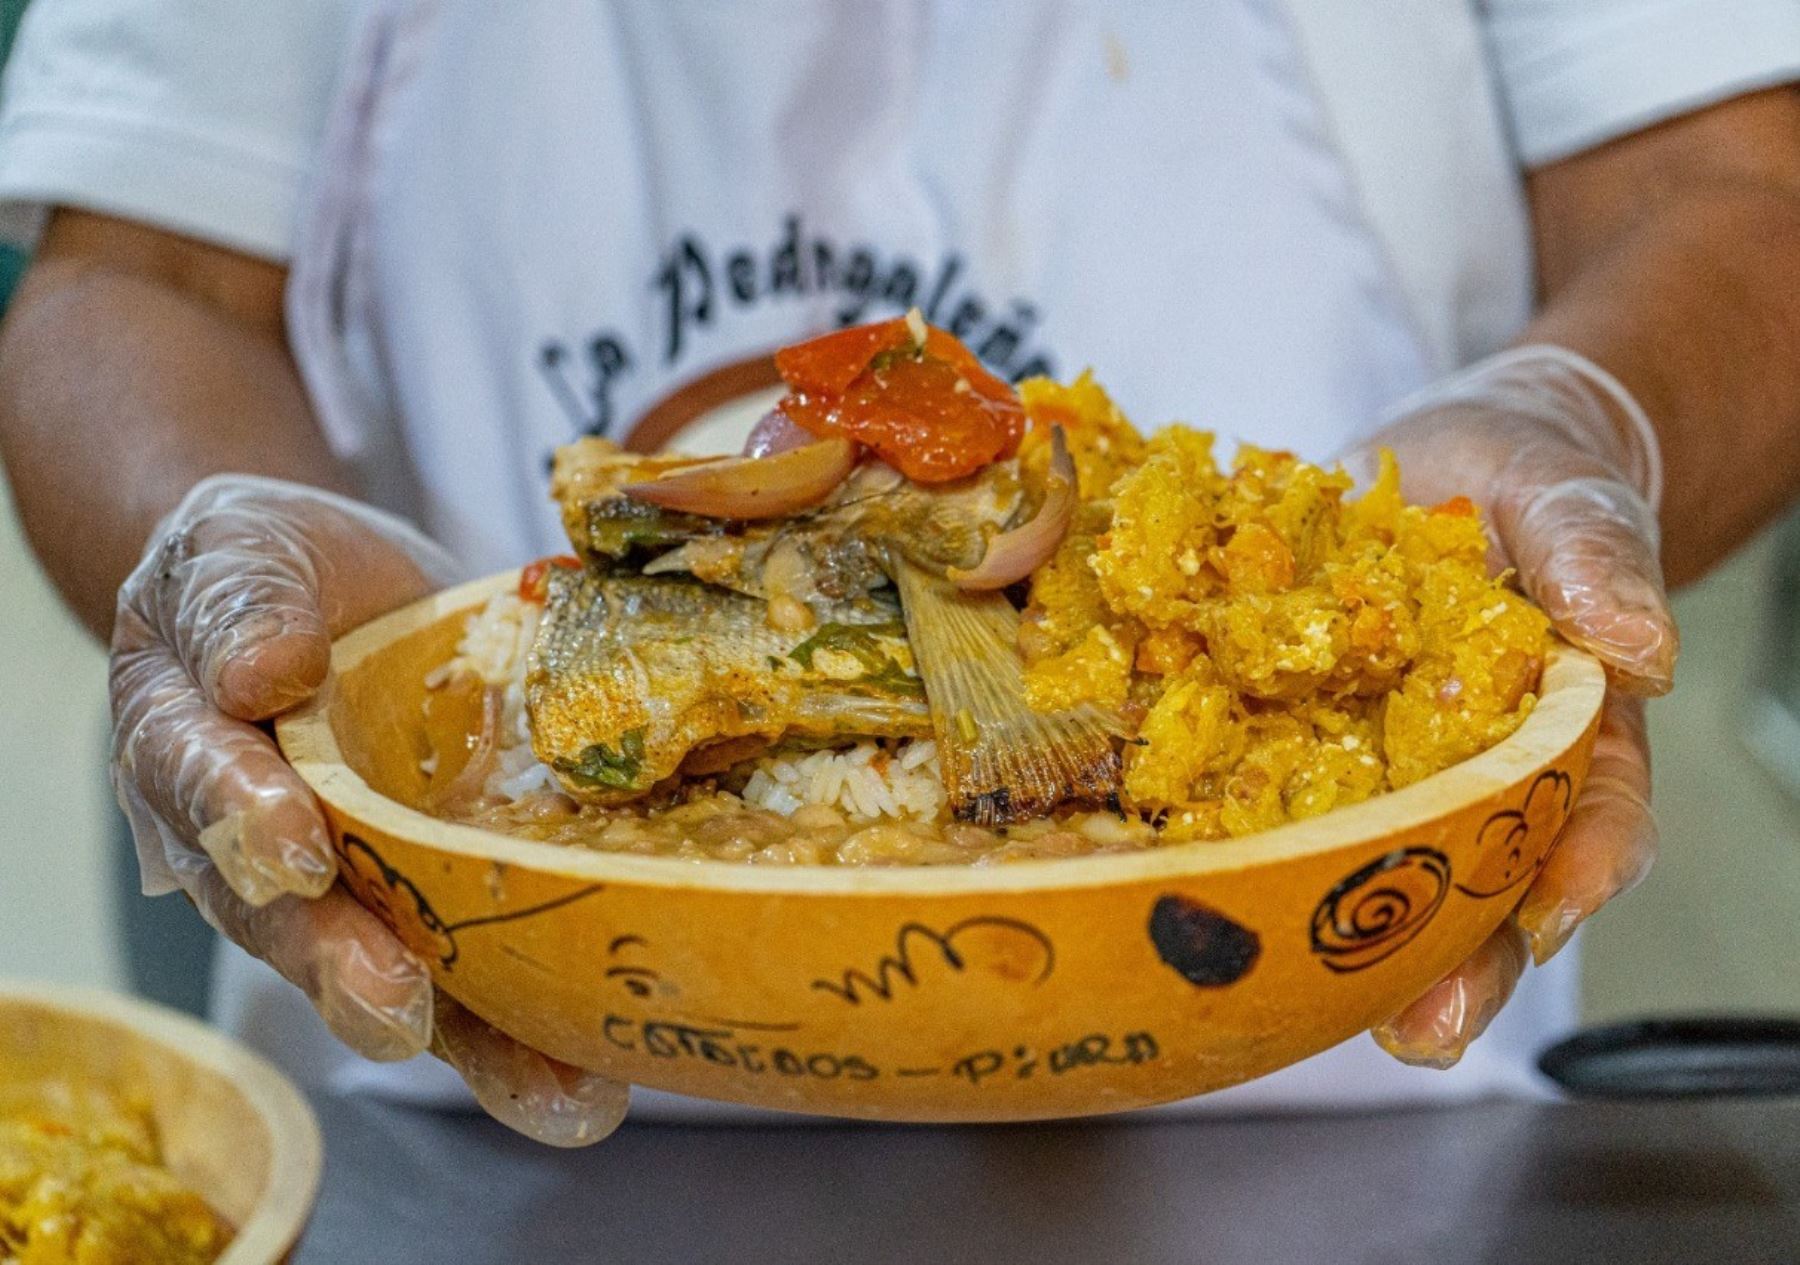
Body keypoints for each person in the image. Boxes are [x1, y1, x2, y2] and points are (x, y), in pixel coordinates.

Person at [0, 1, 1798, 1147]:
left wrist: (1569, 415)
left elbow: (1732, 197)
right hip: (478, 1076)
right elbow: (137, 275)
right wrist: (224, 523)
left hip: (1332, 1069)